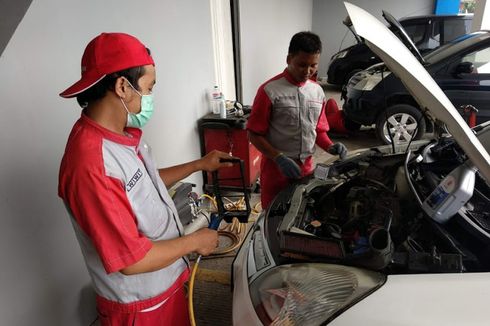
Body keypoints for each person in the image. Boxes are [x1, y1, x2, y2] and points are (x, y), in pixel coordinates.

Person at [58, 32, 233, 325]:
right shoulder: (91, 164)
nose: (150, 98)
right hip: (140, 307)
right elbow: (131, 260)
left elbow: (144, 186)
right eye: (149, 88)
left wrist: (199, 164)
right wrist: (194, 242)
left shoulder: (122, 136)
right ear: (123, 87)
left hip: (166, 285)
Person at [247, 31, 347, 209]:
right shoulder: (269, 91)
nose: (308, 71)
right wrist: (278, 158)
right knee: (272, 216)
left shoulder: (317, 92)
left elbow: (318, 130)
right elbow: (254, 134)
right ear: (288, 59)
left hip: (306, 169)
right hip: (276, 170)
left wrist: (331, 146)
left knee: (300, 212)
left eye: (313, 66)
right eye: (302, 65)